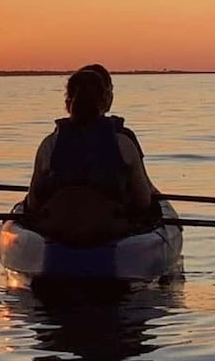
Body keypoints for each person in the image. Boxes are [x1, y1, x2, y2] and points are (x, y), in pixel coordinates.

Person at [24, 65, 161, 246]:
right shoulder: (124, 145)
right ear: (106, 102)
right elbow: (143, 201)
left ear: (67, 104)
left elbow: (34, 202)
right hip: (109, 230)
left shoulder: (49, 145)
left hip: (59, 230)